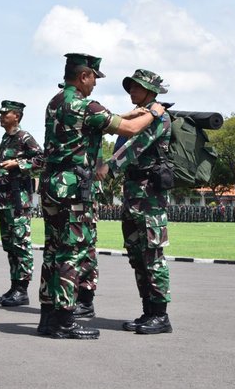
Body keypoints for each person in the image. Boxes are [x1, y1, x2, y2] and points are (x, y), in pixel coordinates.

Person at [38, 53, 166, 339]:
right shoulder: (86, 105)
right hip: (73, 187)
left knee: (52, 251)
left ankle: (48, 318)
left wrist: (136, 113)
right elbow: (130, 128)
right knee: (73, 251)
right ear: (84, 75)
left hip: (52, 184)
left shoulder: (56, 102)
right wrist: (155, 112)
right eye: (94, 77)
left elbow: (117, 119)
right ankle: (64, 321)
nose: (95, 83)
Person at [96, 69, 173, 335]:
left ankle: (161, 315)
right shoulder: (138, 115)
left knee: (153, 254)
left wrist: (108, 168)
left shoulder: (158, 117)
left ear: (152, 91)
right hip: (132, 195)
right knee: (137, 256)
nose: (132, 90)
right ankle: (148, 310)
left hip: (150, 196)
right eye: (130, 86)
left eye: (137, 87)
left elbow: (134, 147)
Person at [0, 100, 43, 307]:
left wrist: (19, 164)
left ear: (17, 116)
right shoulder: (6, 138)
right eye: (1, 113)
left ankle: (22, 290)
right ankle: (14, 287)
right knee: (10, 245)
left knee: (21, 243)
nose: (1, 117)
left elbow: (42, 158)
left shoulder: (24, 137)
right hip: (5, 200)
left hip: (19, 200)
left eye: (6, 114)